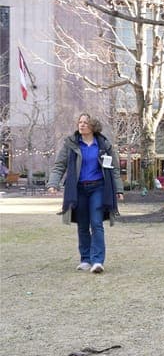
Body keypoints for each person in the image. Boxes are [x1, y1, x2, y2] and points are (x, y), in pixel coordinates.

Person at [46, 113, 125, 274]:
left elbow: (114, 169)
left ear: (93, 126)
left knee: (96, 223)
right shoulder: (71, 144)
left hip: (98, 188)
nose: (81, 125)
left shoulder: (104, 145)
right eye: (80, 122)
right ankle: (85, 259)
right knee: (82, 225)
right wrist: (53, 183)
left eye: (85, 123)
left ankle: (97, 261)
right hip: (78, 189)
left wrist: (118, 189)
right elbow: (60, 165)